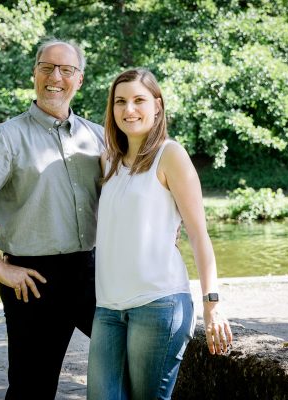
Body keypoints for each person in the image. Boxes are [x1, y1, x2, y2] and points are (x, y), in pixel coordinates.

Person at [0, 39, 104, 400]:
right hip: (33, 280)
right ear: (34, 73)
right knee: (31, 388)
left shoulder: (98, 135)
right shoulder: (7, 137)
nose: (56, 77)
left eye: (66, 70)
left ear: (79, 80)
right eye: (47, 67)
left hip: (94, 272)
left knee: (128, 363)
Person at [87, 68, 233, 400]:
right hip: (108, 308)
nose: (129, 110)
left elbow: (198, 234)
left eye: (139, 100)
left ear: (157, 106)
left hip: (159, 305)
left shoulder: (170, 155)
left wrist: (212, 305)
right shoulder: (108, 158)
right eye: (120, 101)